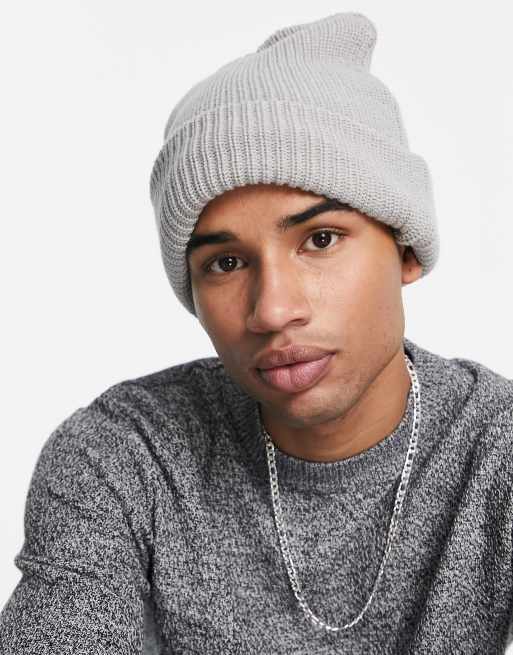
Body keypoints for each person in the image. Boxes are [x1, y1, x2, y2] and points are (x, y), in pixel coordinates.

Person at [1, 11, 512, 654]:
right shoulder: (123, 456)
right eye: (226, 263)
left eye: (320, 240)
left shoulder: (496, 449)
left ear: (406, 249)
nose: (272, 310)